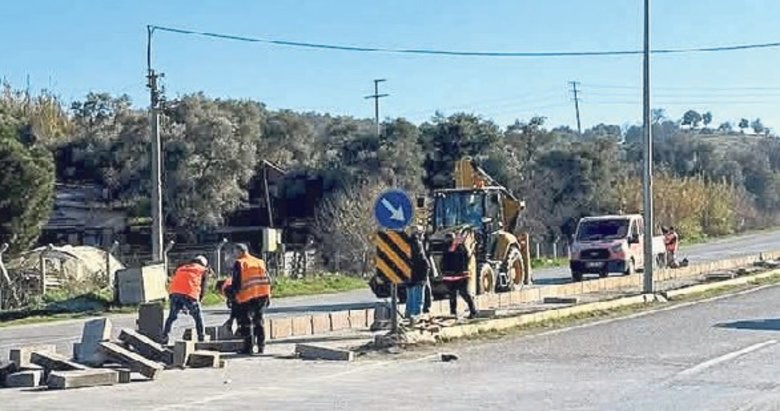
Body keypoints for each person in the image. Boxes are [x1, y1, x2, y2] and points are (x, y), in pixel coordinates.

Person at [230, 243, 271, 354]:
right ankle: (261, 346)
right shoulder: (259, 261)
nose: (234, 254)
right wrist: (268, 295)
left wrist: (233, 296)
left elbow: (237, 282)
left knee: (246, 322)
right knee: (259, 321)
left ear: (240, 251)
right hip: (262, 295)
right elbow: (268, 279)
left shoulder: (240, 263)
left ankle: (248, 347)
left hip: (247, 296)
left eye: (235, 251)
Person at [162, 255, 209, 343]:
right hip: (190, 294)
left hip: (174, 293)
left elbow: (178, 281)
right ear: (203, 264)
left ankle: (165, 336)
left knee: (172, 316)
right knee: (198, 317)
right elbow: (203, 287)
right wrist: (200, 299)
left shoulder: (181, 268)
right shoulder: (203, 270)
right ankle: (201, 337)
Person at [440, 233, 477, 319]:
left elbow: (466, 258)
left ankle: (473, 311)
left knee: (464, 293)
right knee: (452, 295)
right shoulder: (446, 249)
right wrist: (444, 272)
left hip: (461, 275)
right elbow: (444, 261)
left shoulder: (461, 248)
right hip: (450, 276)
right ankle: (453, 313)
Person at [405, 226, 430, 320]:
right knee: (418, 300)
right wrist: (427, 268)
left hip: (408, 275)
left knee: (410, 299)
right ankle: (415, 318)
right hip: (418, 275)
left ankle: (408, 317)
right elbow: (421, 259)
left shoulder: (405, 243)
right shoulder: (417, 243)